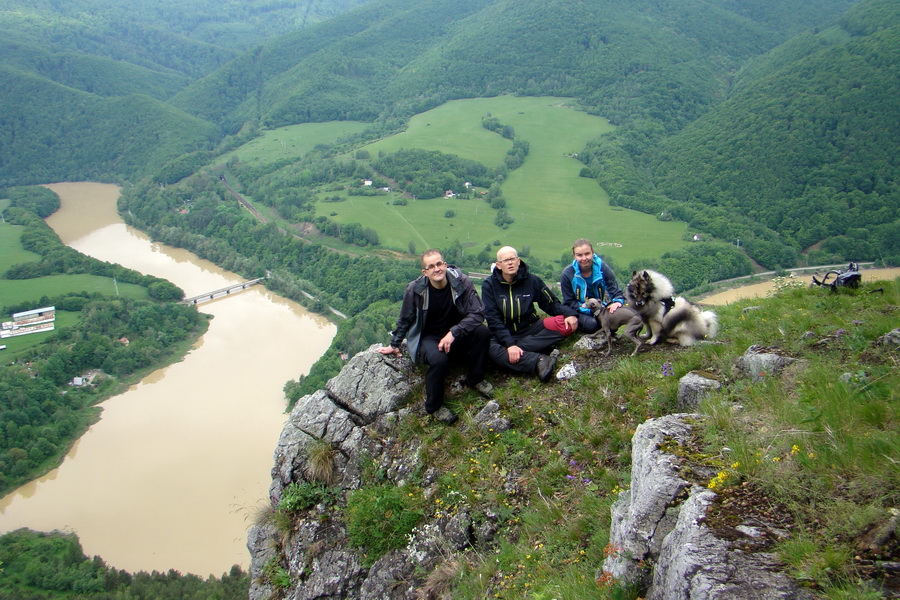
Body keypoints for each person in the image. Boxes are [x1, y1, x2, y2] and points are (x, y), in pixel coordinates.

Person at [378, 249, 492, 424]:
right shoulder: (415, 289)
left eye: (439, 264)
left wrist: (454, 332)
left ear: (445, 265)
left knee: (482, 332)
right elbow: (406, 318)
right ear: (425, 272)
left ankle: (475, 378)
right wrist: (394, 344)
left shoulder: (461, 282)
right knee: (439, 360)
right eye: (431, 267)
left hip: (455, 333)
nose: (437, 269)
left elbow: (478, 313)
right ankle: (434, 406)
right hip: (428, 337)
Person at [481, 246, 579, 381]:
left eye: (512, 259)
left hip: (529, 328)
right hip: (502, 333)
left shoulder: (532, 280)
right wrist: (509, 343)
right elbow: (492, 319)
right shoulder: (489, 285)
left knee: (564, 324)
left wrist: (570, 314)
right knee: (487, 348)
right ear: (498, 265)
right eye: (505, 260)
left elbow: (551, 304)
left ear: (518, 261)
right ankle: (538, 360)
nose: (510, 263)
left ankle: (517, 351)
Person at [560, 238, 626, 334]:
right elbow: (568, 302)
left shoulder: (602, 268)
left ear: (593, 253)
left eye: (587, 254)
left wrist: (617, 302)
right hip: (579, 309)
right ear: (574, 256)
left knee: (613, 323)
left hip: (599, 307)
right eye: (579, 255)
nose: (584, 258)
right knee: (592, 325)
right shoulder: (568, 274)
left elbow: (615, 291)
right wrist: (590, 310)